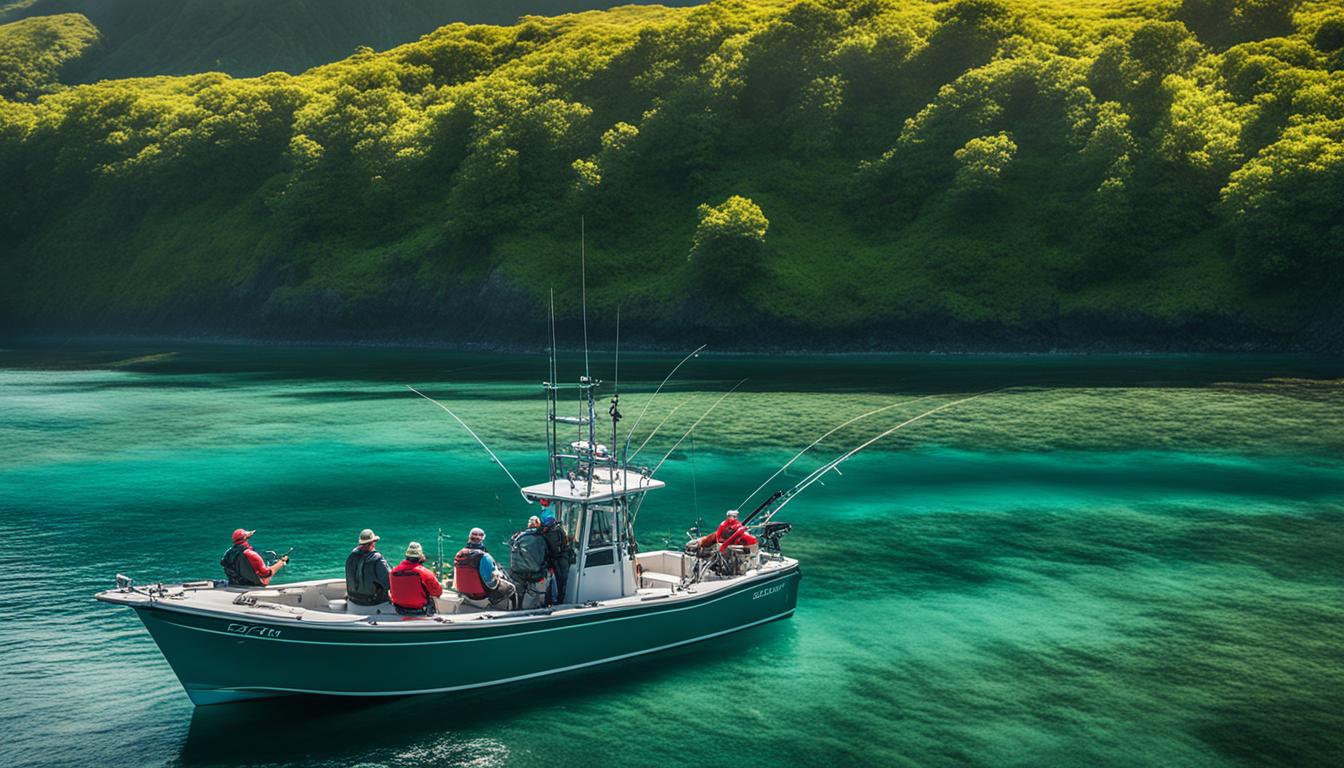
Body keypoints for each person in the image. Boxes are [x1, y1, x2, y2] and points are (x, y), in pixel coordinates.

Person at [452, 528, 515, 610]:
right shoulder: (484, 556)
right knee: (511, 587)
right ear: (482, 538)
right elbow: (490, 583)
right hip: (480, 594)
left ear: (469, 538)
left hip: (464, 592)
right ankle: (511, 610)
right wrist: (499, 575)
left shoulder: (459, 554)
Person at [220, 528, 288, 587]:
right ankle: (282, 562)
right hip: (251, 585)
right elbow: (266, 573)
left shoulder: (228, 552)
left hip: (234, 583)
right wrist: (281, 562)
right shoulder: (250, 554)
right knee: (269, 572)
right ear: (245, 538)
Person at [390, 541, 443, 616]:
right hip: (420, 611)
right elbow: (437, 592)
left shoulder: (393, 572)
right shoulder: (425, 573)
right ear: (420, 557)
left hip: (399, 609)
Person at [508, 516, 551, 610]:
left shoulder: (518, 536)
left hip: (518, 572)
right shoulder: (542, 538)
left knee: (519, 587)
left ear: (528, 525)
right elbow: (547, 554)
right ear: (538, 524)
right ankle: (537, 604)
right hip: (536, 573)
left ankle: (517, 606)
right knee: (543, 579)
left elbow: (511, 546)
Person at [345, 528, 391, 611]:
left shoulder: (350, 557)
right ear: (373, 543)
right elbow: (389, 582)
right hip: (372, 602)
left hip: (353, 599)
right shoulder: (377, 559)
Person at [538, 503, 573, 605]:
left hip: (552, 560)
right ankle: (559, 600)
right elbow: (564, 543)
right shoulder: (558, 530)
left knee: (551, 581)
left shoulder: (544, 533)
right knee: (561, 581)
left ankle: (549, 601)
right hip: (560, 559)